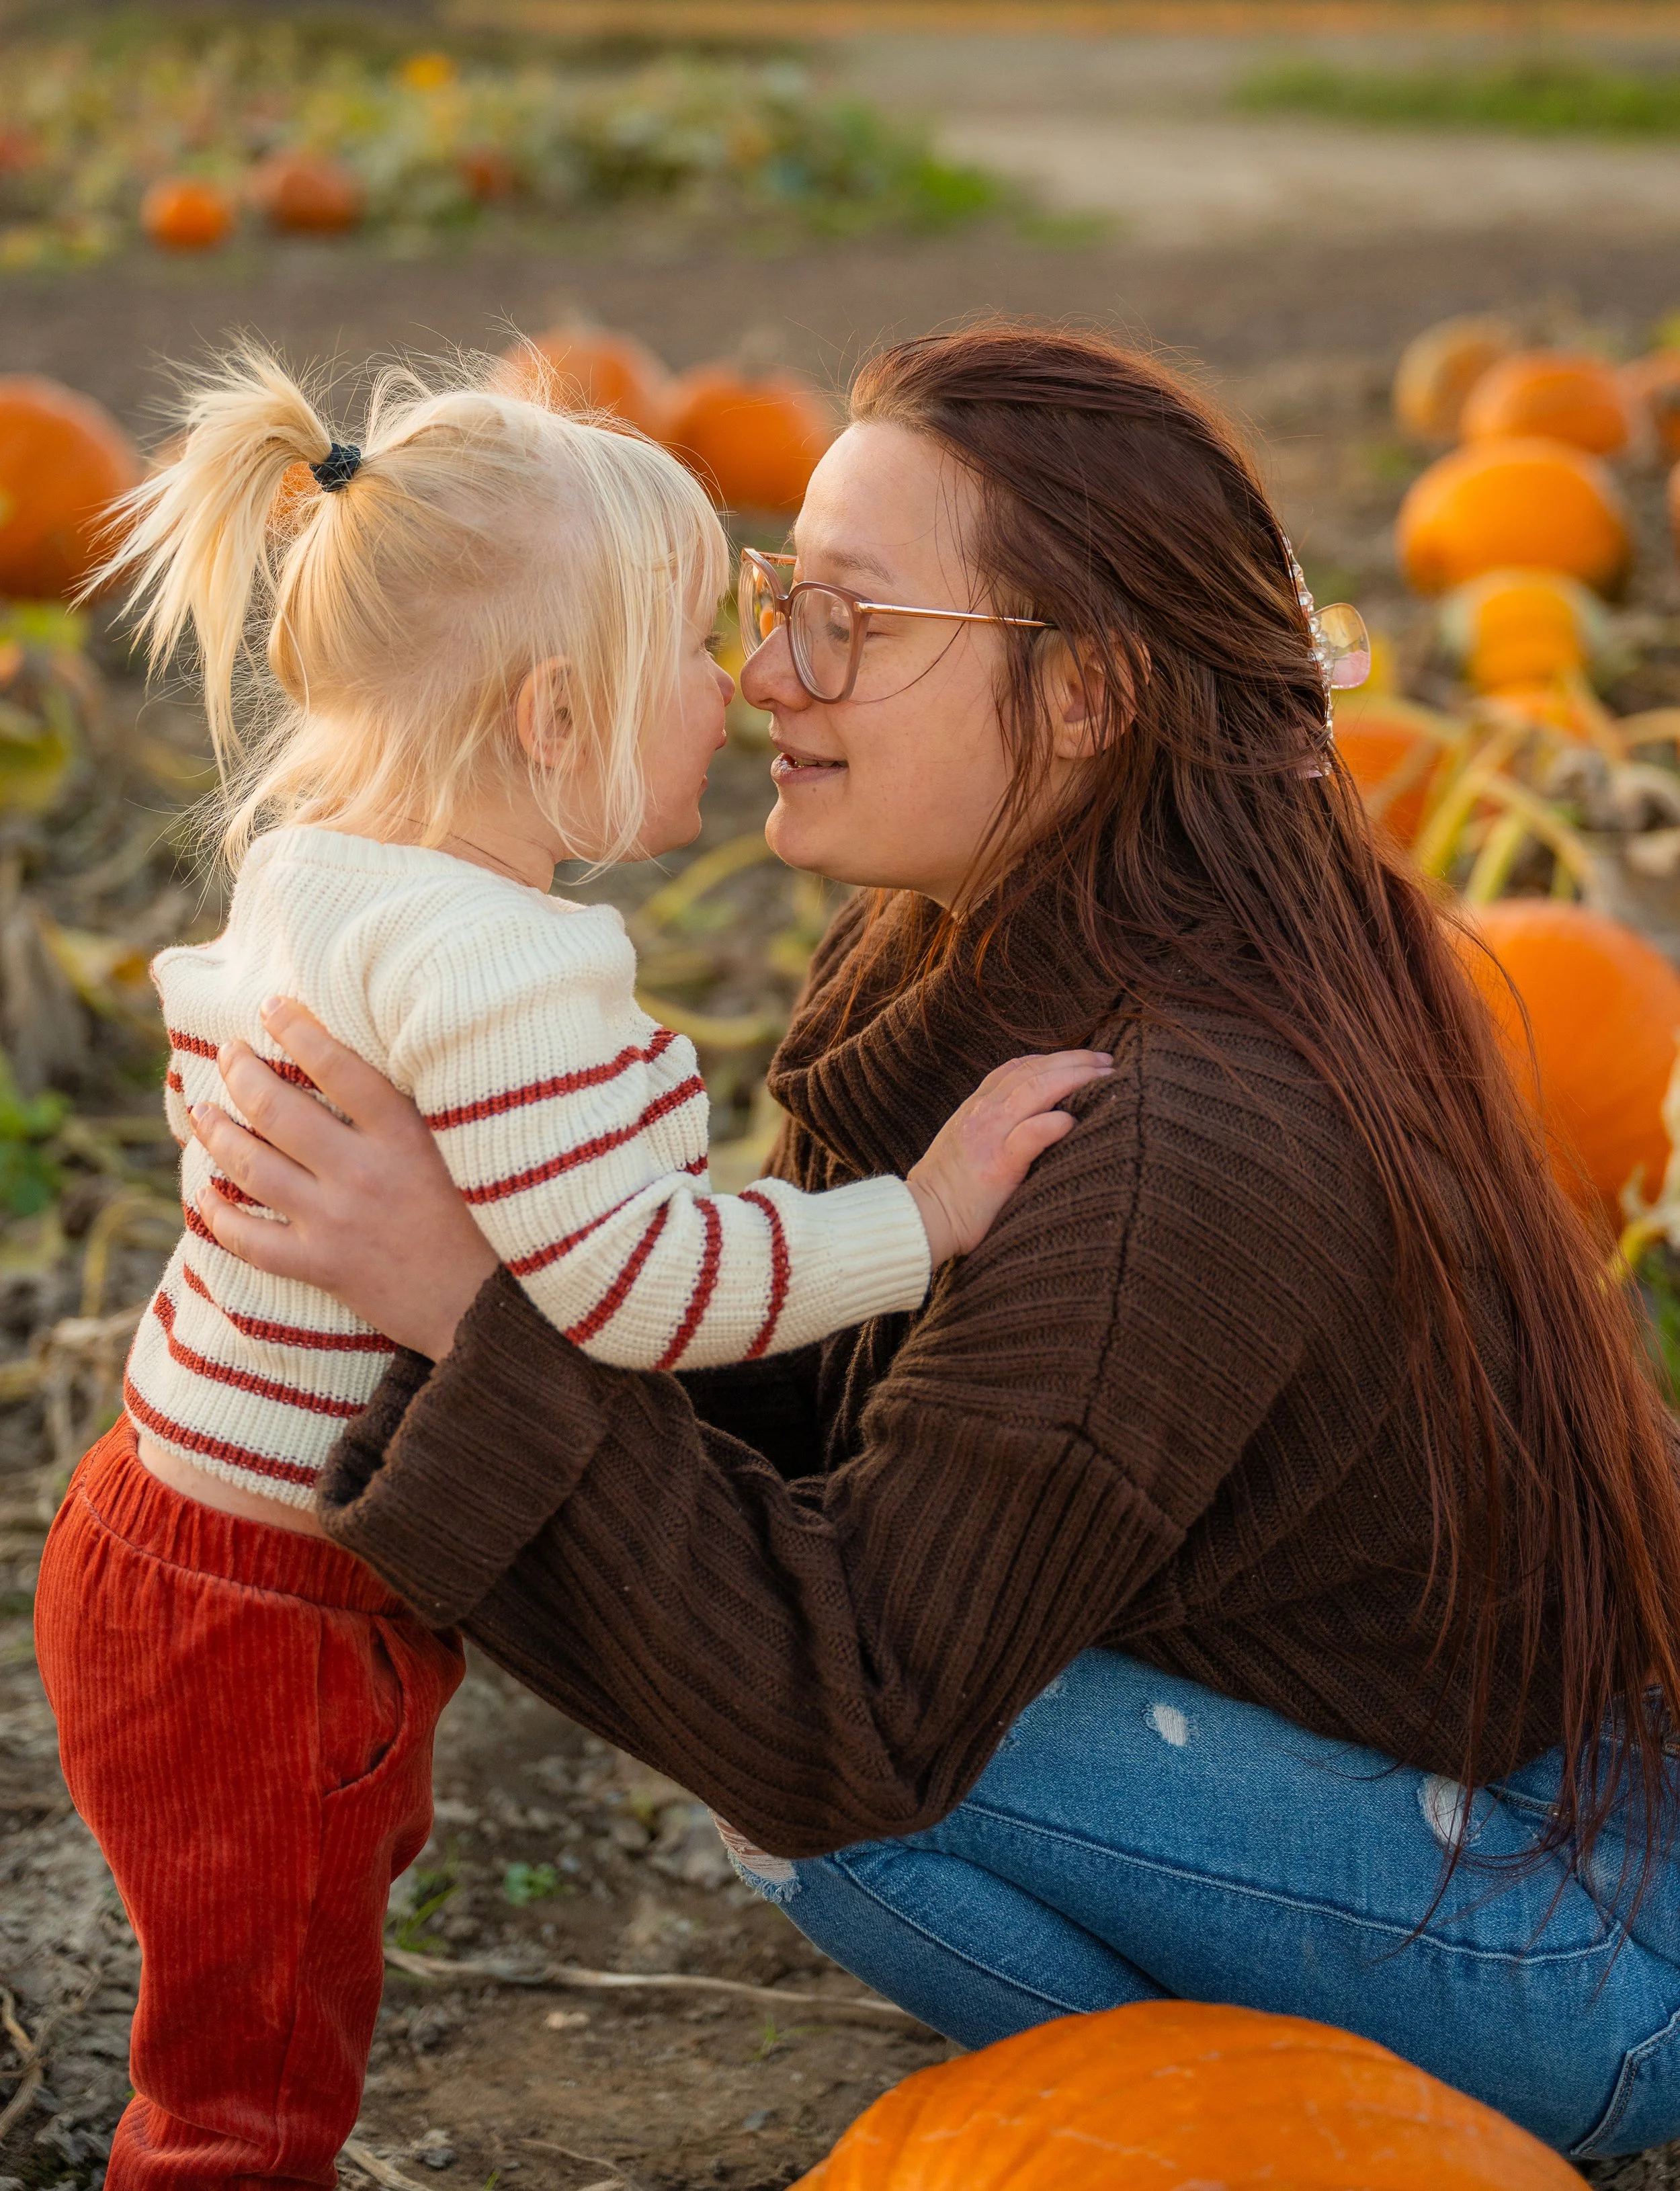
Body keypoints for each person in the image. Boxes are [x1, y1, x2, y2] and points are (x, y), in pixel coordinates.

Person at [187, 327, 1680, 2162]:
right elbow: (824, 1409)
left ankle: (1309, 2121)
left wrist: (464, 1302)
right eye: (776, 601)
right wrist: (502, 1203)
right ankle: (1246, 2094)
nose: (767, 675)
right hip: (1417, 1787)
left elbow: (845, 1716)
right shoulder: (987, 937)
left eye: (856, 623)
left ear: (1086, 698)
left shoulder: (1181, 1146)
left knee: (803, 1760)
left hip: (1582, 1934)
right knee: (746, 1659)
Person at [32, 347, 1102, 2191]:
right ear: (552, 719)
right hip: (273, 1607)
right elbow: (640, 1290)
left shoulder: (323, 866)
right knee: (248, 2087)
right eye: (694, 650)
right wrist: (914, 1220)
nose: (738, 682)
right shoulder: (506, 967)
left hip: (157, 1536)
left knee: (253, 1979)